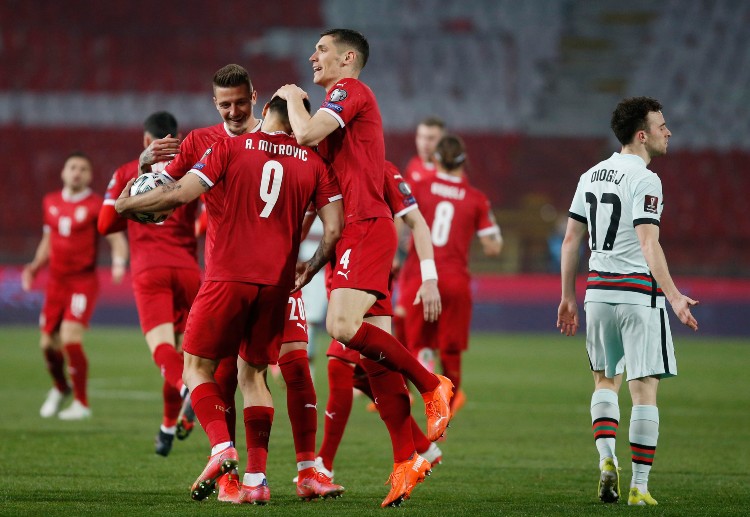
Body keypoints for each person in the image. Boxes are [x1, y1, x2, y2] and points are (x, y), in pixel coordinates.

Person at [116, 95, 344, 505]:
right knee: (252, 375)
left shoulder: (234, 148)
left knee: (205, 368)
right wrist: (310, 269)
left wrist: (126, 203)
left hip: (235, 276)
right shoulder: (313, 161)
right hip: (278, 280)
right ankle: (251, 480)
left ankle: (233, 454)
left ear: (261, 106)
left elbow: (175, 194)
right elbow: (334, 228)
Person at [275, 28, 453, 507]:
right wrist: (309, 262)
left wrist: (291, 98)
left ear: (348, 58)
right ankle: (407, 459)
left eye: (322, 49)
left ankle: (431, 383)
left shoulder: (350, 91)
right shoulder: (340, 131)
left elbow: (305, 132)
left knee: (339, 328)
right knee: (375, 364)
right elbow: (314, 187)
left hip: (367, 227)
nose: (312, 56)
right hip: (350, 235)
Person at [556, 97, 699, 506]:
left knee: (605, 381)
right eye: (661, 126)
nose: (667, 132)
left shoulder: (590, 175)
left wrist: (567, 297)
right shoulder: (646, 179)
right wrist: (674, 296)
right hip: (637, 294)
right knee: (644, 389)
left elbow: (571, 240)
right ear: (642, 135)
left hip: (598, 294)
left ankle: (606, 459)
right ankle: (639, 486)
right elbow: (648, 242)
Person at [312, 161, 444, 486]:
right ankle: (420, 450)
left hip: (366, 271)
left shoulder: (377, 167)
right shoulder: (319, 165)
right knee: (369, 373)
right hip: (340, 269)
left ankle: (324, 465)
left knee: (340, 363)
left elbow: (415, 221)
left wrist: (429, 278)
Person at [98, 111, 201, 456]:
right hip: (188, 271)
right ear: (175, 139)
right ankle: (167, 429)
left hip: (150, 271)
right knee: (184, 357)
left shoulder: (126, 171)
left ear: (146, 140)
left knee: (163, 350)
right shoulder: (190, 170)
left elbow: (104, 225)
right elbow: (208, 217)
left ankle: (190, 390)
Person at [399, 135, 502, 414]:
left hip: (421, 278)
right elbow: (493, 247)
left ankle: (425, 392)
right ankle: (444, 412)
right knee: (451, 350)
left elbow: (398, 220)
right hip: (455, 281)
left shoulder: (419, 186)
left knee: (419, 344)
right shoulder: (477, 199)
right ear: (463, 161)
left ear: (436, 159)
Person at [22, 151, 128, 420]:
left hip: (82, 281)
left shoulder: (96, 205)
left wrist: (118, 263)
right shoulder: (50, 202)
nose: (77, 172)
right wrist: (35, 266)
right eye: (73, 167)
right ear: (63, 172)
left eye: (83, 169)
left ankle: (81, 403)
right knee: (47, 344)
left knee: (70, 337)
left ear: (89, 176)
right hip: (55, 282)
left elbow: (116, 239)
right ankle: (61, 388)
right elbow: (48, 240)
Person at [403, 116, 445, 183]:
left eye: (431, 138)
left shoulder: (449, 171)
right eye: (421, 137)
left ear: (442, 141)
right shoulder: (413, 164)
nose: (425, 143)